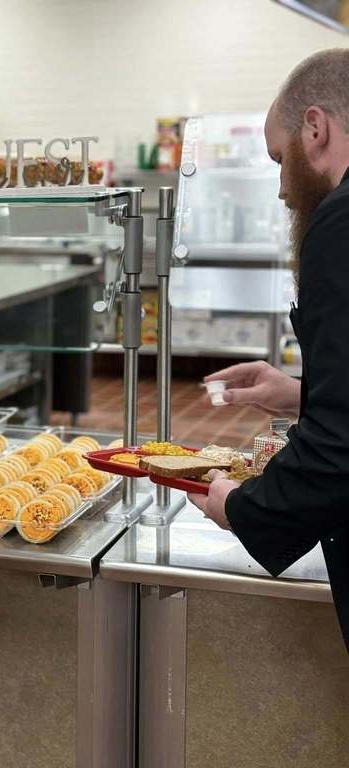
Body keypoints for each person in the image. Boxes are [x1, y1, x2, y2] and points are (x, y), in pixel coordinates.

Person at [189, 49, 349, 652]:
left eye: (281, 160)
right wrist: (301, 394)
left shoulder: (340, 223)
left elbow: (342, 444)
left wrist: (246, 507)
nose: (283, 189)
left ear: (316, 128)